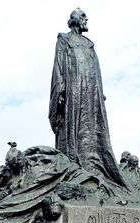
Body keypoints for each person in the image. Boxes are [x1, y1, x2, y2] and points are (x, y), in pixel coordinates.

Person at [49, 8, 130, 190]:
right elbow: (58, 66)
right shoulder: (64, 40)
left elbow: (97, 70)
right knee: (73, 126)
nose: (86, 20)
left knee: (93, 128)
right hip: (73, 89)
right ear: (74, 20)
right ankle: (73, 164)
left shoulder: (89, 44)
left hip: (90, 92)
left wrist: (99, 91)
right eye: (83, 17)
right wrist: (61, 89)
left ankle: (94, 165)